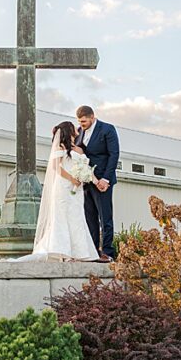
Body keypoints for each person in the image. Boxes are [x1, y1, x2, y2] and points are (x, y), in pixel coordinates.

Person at [28, 120, 99, 261]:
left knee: (77, 217)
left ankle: (80, 253)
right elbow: (56, 167)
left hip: (77, 190)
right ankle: (62, 252)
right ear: (69, 131)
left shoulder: (79, 149)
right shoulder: (60, 147)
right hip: (63, 186)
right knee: (61, 217)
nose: (77, 130)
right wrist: (72, 178)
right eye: (74, 127)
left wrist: (95, 181)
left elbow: (86, 168)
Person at [75, 105, 120, 262]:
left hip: (102, 182)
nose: (82, 124)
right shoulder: (79, 132)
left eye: (84, 121)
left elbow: (114, 154)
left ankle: (107, 252)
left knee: (105, 217)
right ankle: (93, 251)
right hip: (87, 181)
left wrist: (105, 179)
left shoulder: (107, 129)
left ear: (92, 117)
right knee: (90, 218)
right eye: (80, 122)